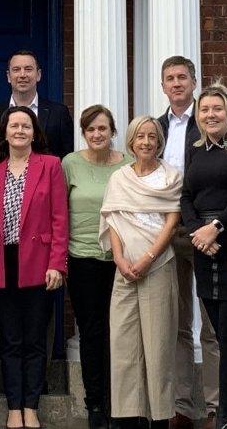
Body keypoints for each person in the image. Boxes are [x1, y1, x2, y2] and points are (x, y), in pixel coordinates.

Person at [0, 106, 68, 429]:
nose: (19, 131)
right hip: (2, 262)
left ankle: (31, 406)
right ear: (4, 132)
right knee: (10, 340)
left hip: (39, 262)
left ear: (35, 132)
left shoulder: (50, 165)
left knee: (34, 339)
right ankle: (13, 406)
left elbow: (60, 218)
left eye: (26, 126)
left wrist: (57, 264)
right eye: (14, 125)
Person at [99, 115, 182, 429]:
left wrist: (148, 257)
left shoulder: (170, 177)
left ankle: (160, 417)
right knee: (123, 345)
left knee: (158, 345)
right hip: (125, 270)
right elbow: (113, 219)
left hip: (158, 265)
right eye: (140, 137)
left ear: (158, 141)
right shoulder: (119, 178)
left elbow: (172, 222)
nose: (146, 142)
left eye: (151, 136)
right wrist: (119, 259)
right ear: (130, 142)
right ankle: (126, 417)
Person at [180, 84, 227, 429]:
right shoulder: (194, 150)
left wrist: (217, 227)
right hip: (203, 248)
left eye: (217, 109)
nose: (211, 115)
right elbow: (186, 196)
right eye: (205, 109)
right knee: (219, 333)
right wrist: (198, 231)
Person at [156, 56, 219, 429]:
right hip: (170, 232)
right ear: (163, 86)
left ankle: (214, 407)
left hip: (207, 233)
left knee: (211, 325)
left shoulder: (210, 118)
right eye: (170, 79)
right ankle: (181, 407)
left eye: (182, 77)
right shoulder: (157, 127)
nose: (176, 84)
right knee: (177, 324)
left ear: (194, 81)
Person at [61, 105, 133, 429]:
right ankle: (95, 406)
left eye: (103, 128)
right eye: (91, 129)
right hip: (83, 259)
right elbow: (59, 213)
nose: (97, 134)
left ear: (112, 131)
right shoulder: (70, 164)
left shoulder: (129, 164)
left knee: (121, 334)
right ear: (84, 132)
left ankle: (120, 404)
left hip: (122, 261)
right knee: (91, 333)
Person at [0, 50, 75, 160]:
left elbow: (66, 157)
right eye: (16, 70)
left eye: (28, 69)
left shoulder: (59, 113)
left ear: (38, 75)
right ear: (8, 76)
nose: (22, 75)